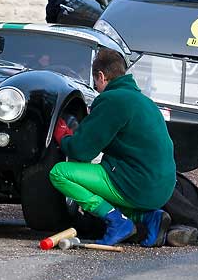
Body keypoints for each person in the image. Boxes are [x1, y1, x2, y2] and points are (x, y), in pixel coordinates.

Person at [48, 47, 177, 247]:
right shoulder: (145, 101)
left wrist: (64, 137)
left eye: (95, 82)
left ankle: (116, 222)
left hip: (137, 184)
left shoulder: (112, 100)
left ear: (101, 76)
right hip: (164, 187)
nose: (96, 88)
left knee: (60, 173)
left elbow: (81, 151)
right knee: (105, 183)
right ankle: (148, 217)